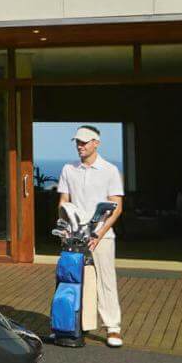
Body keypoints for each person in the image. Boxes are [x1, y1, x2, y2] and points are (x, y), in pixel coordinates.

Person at [57, 125, 124, 347]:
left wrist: (99, 233)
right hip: (75, 235)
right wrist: (65, 227)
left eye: (85, 142)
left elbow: (116, 208)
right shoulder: (68, 169)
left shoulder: (110, 170)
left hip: (101, 236)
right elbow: (63, 202)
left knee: (106, 281)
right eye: (78, 141)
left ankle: (113, 328)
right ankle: (76, 325)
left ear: (96, 143)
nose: (80, 146)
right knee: (73, 281)